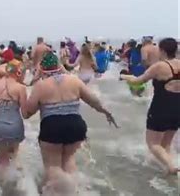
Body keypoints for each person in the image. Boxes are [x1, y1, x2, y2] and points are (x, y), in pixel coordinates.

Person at [24, 52, 117, 189]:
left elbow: (27, 113)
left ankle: (57, 192)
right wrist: (106, 112)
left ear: (42, 69)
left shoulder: (40, 86)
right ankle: (74, 190)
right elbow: (94, 101)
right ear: (59, 66)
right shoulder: (74, 80)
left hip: (52, 127)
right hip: (75, 125)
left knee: (53, 166)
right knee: (68, 160)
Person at [121, 38, 179, 175]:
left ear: (163, 50)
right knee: (166, 144)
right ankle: (170, 168)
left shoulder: (159, 66)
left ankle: (171, 167)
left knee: (153, 144)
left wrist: (124, 77)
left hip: (160, 109)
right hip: (178, 109)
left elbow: (137, 81)